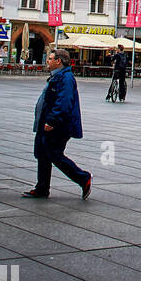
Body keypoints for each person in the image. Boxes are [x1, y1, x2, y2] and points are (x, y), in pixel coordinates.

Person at [23, 48, 91, 200]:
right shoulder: (58, 76)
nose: (47, 61)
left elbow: (64, 102)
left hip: (58, 125)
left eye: (50, 58)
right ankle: (41, 188)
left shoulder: (65, 78)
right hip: (49, 122)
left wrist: (52, 120)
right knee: (43, 154)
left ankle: (83, 177)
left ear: (58, 61)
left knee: (53, 154)